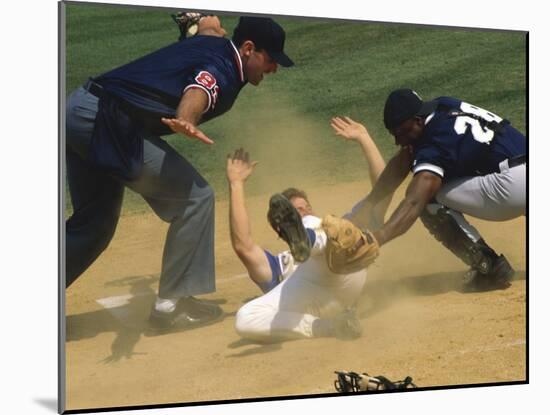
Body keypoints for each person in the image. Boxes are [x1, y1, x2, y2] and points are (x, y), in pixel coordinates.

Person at [65, 15, 294, 333]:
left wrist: (202, 21)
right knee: (195, 197)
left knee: (95, 224)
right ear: (248, 48)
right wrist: (187, 118)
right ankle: (170, 306)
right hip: (106, 123)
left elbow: (209, 30)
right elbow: (199, 90)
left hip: (80, 110)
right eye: (269, 60)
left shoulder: (218, 44)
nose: (273, 68)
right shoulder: (225, 72)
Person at [342, 89, 526, 291]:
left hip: (512, 188)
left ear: (418, 121)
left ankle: (488, 267)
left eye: (401, 132)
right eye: (394, 134)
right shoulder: (443, 105)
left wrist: (378, 238)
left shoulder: (434, 144)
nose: (397, 141)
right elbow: (404, 157)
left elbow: (414, 202)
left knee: (428, 198)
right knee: (419, 156)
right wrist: (370, 204)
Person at [225, 121, 388, 341]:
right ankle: (332, 327)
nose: (304, 212)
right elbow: (242, 245)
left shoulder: (340, 228)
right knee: (245, 318)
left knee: (333, 230)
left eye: (306, 208)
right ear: (279, 228)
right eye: (295, 213)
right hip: (314, 302)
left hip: (345, 272)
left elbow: (383, 193)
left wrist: (364, 138)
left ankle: (311, 239)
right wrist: (236, 184)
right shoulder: (277, 266)